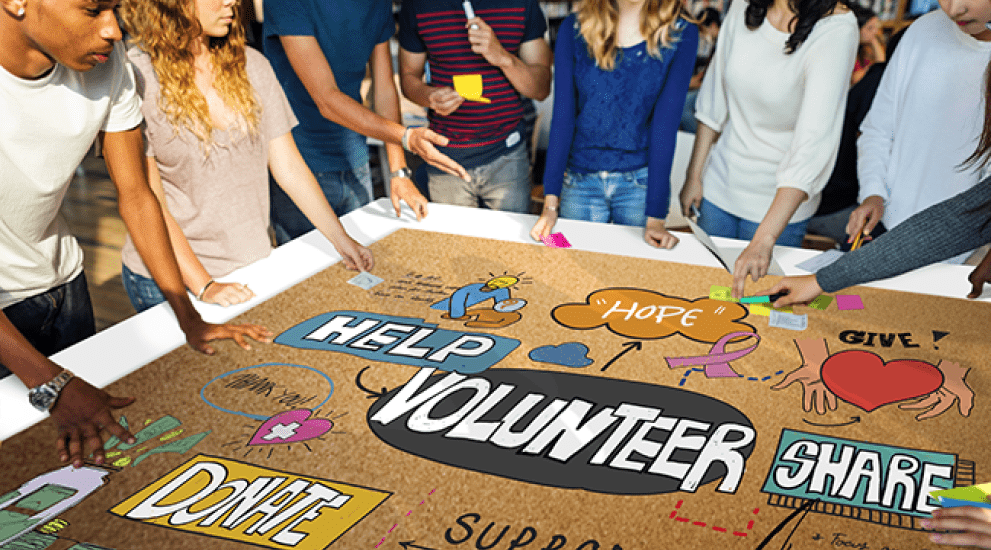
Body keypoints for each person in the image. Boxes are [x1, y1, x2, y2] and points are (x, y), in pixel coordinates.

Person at [0, 0, 270, 468]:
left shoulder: (107, 63)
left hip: (65, 289)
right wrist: (51, 383)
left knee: (77, 471)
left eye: (115, 10)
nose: (112, 30)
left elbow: (137, 196)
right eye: (92, 10)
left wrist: (188, 314)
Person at [118, 0, 375, 311]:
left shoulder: (252, 64)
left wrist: (340, 237)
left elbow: (288, 165)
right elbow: (148, 200)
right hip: (167, 281)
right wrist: (204, 285)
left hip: (250, 268)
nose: (233, 1)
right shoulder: (135, 79)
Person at [680, 0, 858, 298]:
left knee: (758, 314)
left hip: (778, 211)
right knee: (708, 300)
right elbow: (713, 98)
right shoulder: (742, 6)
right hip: (718, 191)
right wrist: (694, 175)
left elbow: (813, 144)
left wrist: (764, 239)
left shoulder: (837, 29)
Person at [263, 0, 470, 245]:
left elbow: (384, 89)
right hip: (298, 164)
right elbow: (326, 99)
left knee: (363, 271)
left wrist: (399, 171)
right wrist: (406, 137)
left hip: (355, 159)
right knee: (309, 272)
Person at [530, 0, 698, 248]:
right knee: (571, 269)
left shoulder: (680, 32)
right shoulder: (574, 28)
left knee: (631, 277)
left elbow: (665, 127)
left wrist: (656, 217)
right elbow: (563, 117)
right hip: (579, 182)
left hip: (639, 185)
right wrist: (550, 204)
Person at [846, 0, 991, 261]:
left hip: (962, 251)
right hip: (884, 228)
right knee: (849, 302)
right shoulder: (922, 30)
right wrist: (873, 191)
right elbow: (877, 129)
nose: (954, 9)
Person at [398, 0, 552, 213]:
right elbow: (408, 77)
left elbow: (541, 88)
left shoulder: (522, 3)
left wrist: (502, 57)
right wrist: (428, 96)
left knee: (512, 243)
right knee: (456, 245)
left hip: (508, 155)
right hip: (445, 158)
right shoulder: (418, 5)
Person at [806, 27, 906, 244]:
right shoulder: (879, 89)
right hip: (834, 206)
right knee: (893, 242)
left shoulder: (876, 75)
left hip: (831, 198)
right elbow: (869, 144)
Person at [680, 7, 720, 134]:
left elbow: (709, 81)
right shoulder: (715, 45)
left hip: (713, 91)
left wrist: (686, 85)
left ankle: (704, 136)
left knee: (684, 109)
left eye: (703, 30)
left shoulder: (721, 45)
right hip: (706, 87)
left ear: (713, 26)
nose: (702, 35)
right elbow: (704, 76)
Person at [849, 3, 884, 86]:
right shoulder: (849, 50)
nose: (875, 31)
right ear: (857, 29)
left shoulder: (863, 49)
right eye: (870, 28)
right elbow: (856, 79)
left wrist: (873, 40)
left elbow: (880, 65)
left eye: (875, 27)